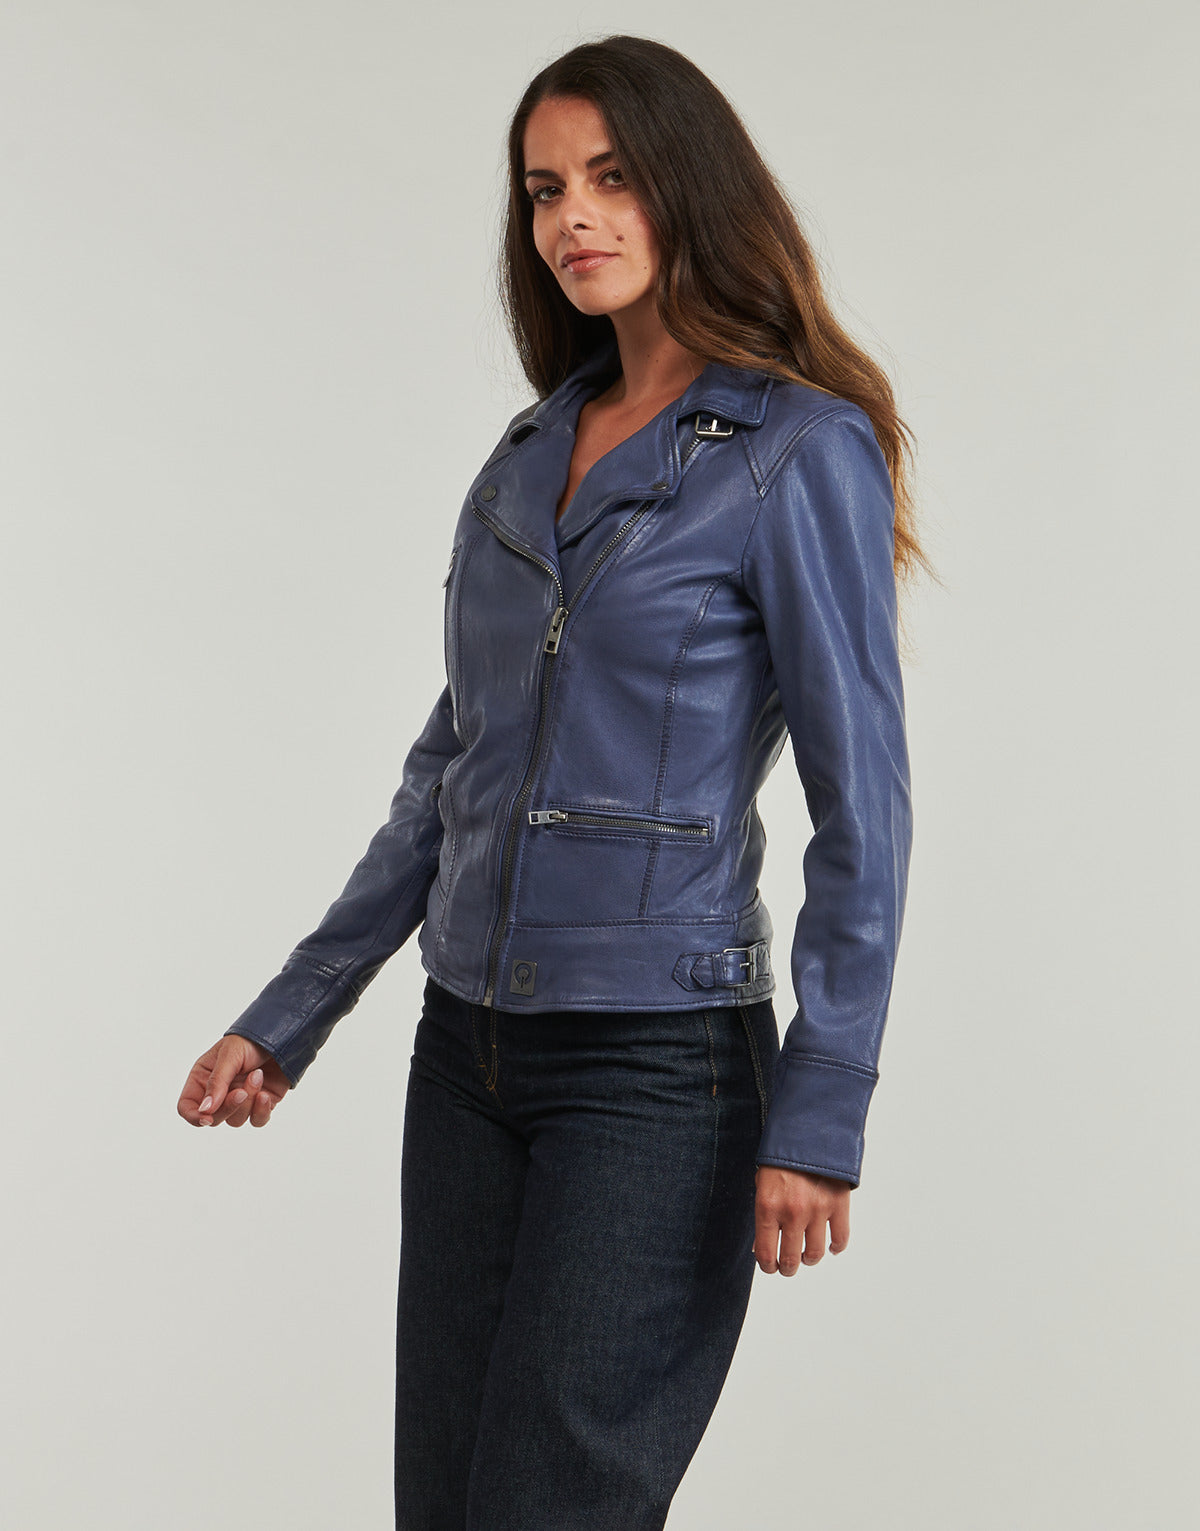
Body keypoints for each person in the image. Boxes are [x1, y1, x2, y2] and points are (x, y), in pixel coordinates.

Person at [177, 33, 927, 1531]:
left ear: (690, 189)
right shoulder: (528, 456)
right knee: (447, 1506)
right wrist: (293, 1010)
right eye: (542, 190)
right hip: (465, 1056)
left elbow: (867, 807)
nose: (572, 217)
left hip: (658, 1070)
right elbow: (451, 771)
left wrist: (823, 1103)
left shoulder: (794, 452)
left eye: (612, 178)